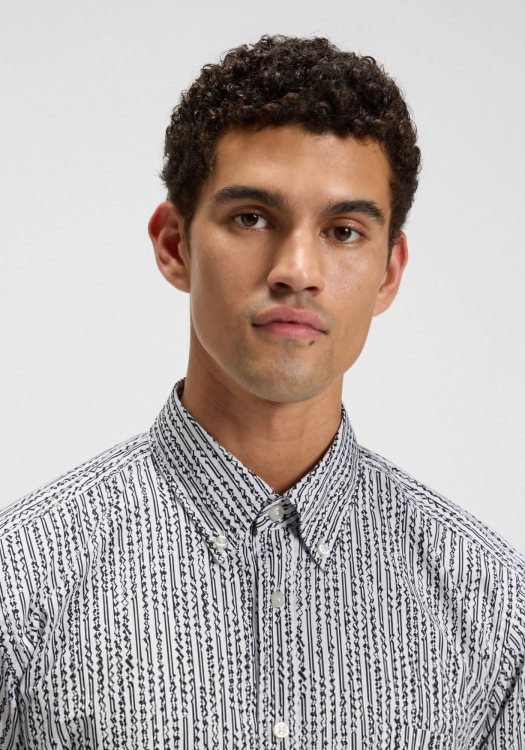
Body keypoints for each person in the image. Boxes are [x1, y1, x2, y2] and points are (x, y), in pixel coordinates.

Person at [0, 34, 523, 750]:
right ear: (174, 245)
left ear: (388, 272)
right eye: (251, 218)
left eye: (344, 231)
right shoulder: (21, 583)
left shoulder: (492, 607)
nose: (296, 270)